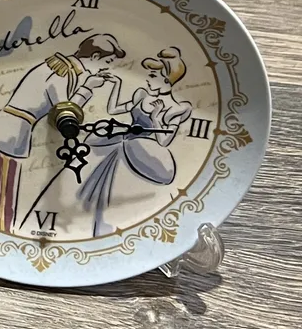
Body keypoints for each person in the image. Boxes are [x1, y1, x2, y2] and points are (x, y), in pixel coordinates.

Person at [22, 46, 192, 237]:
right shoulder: (142, 94)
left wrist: (156, 116)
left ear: (166, 79)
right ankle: (70, 220)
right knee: (77, 177)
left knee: (113, 192)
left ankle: (104, 229)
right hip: (118, 141)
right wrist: (116, 85)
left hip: (141, 154)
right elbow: (114, 110)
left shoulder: (178, 108)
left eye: (152, 76)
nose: (147, 79)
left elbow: (164, 140)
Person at [0, 33, 125, 233]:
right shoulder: (61, 73)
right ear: (95, 57)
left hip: (6, 131)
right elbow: (63, 112)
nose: (106, 68)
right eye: (107, 62)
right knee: (2, 197)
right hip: (10, 134)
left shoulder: (60, 67)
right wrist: (88, 87)